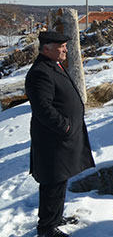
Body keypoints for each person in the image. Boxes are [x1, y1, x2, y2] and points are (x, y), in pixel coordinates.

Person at [25, 31, 95, 237]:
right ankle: (47, 229)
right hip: (53, 139)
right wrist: (65, 127)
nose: (66, 49)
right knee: (52, 181)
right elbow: (42, 108)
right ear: (46, 49)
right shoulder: (40, 72)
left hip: (60, 137)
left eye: (65, 45)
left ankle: (55, 218)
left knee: (60, 178)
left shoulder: (52, 65)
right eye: (61, 46)